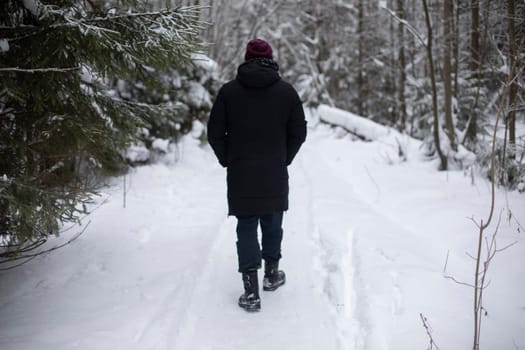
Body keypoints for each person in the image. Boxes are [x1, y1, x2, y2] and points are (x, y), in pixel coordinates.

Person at [207, 38, 307, 312]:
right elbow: (299, 132)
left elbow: (214, 133)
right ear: (271, 59)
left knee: (247, 226)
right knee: (273, 222)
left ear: (246, 58)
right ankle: (272, 276)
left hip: (241, 173)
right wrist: (283, 158)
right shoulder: (287, 93)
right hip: (274, 170)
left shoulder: (229, 92)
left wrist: (228, 158)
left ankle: (251, 293)